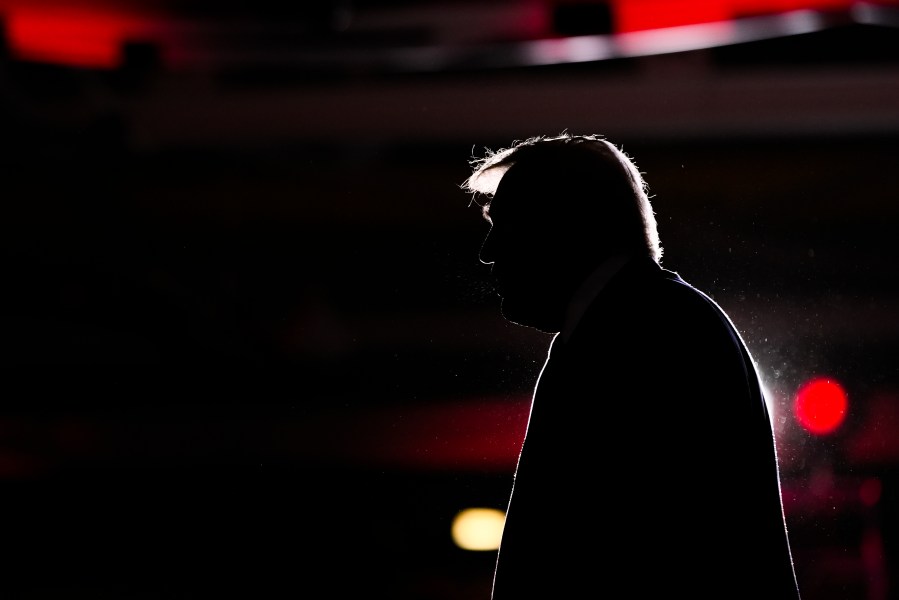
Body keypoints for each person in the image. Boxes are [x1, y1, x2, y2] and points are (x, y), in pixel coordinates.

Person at [462, 133, 801, 599]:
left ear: (564, 225)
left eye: (505, 224)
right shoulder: (659, 323)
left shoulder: (640, 334)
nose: (489, 250)